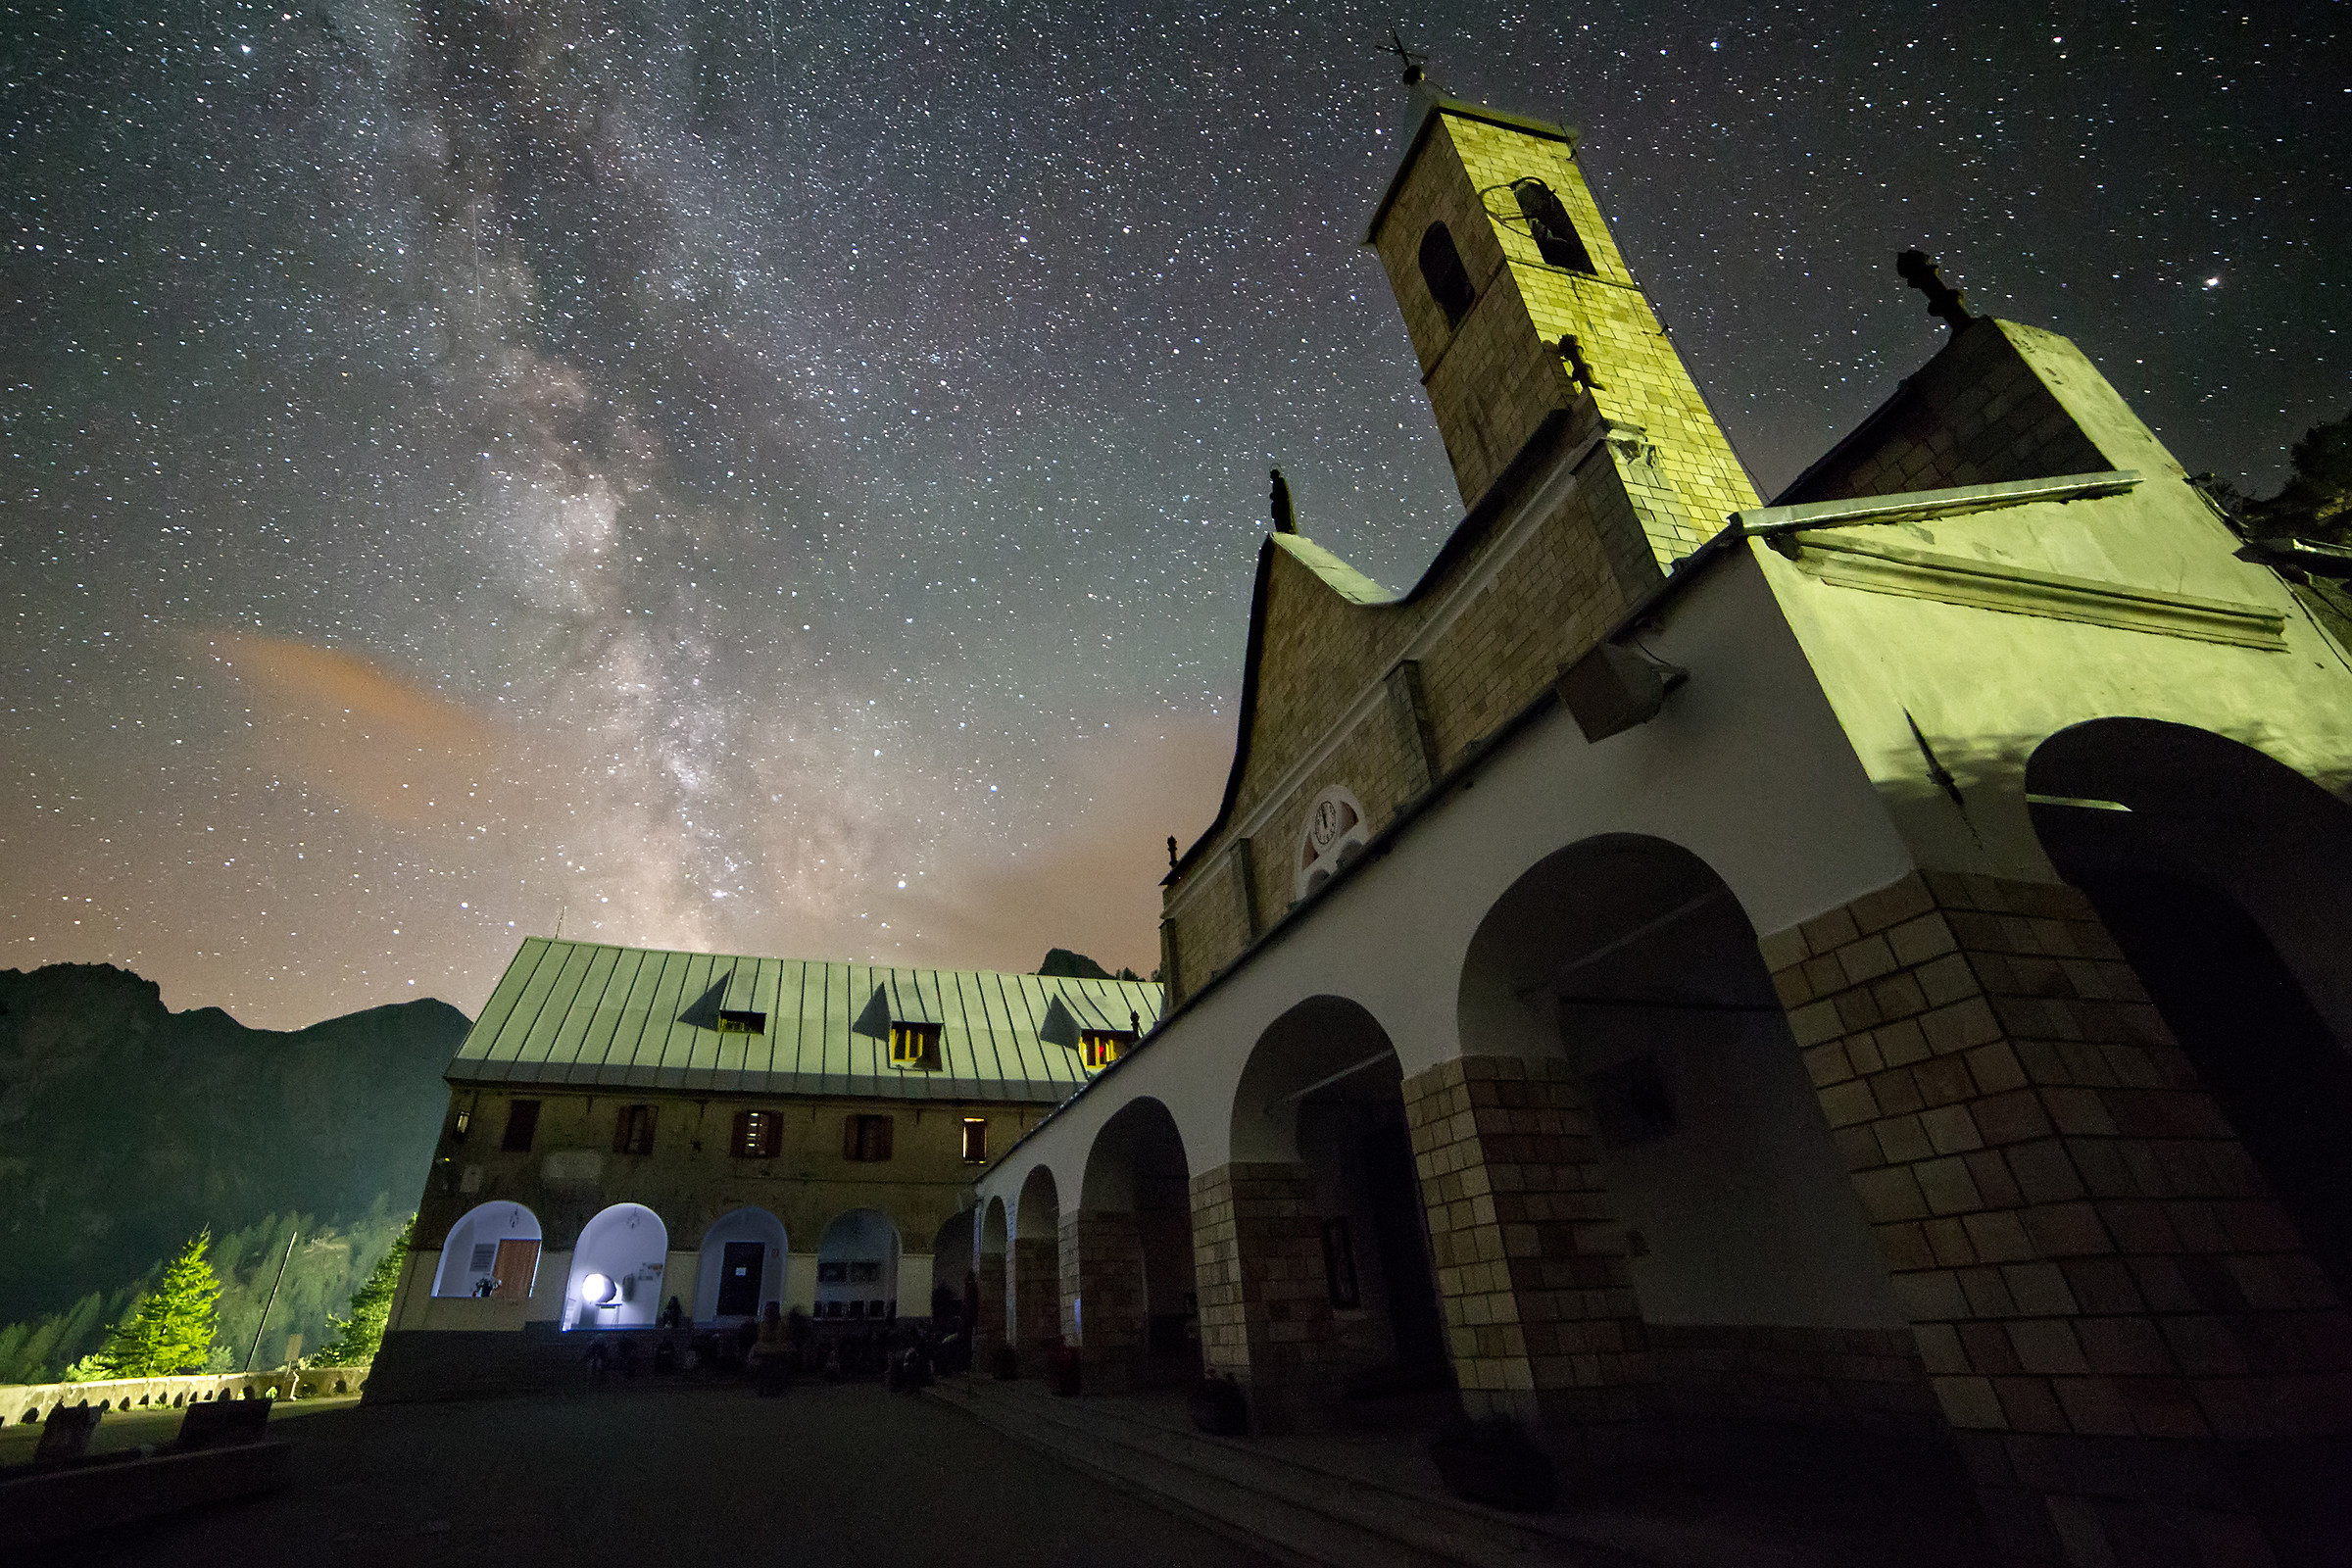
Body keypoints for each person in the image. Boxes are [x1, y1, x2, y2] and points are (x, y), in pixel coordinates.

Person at [752, 1302, 790, 1396]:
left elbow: (762, 1339)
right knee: (769, 1365)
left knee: (769, 1366)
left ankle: (768, 1388)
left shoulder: (778, 1326)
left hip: (771, 1352)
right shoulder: (766, 1325)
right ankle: (771, 1388)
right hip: (772, 1351)